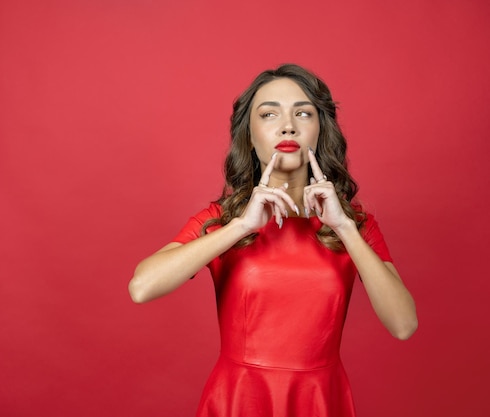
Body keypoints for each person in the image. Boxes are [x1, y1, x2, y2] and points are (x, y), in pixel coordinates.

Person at [128, 63, 417, 417]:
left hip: (319, 399)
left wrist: (344, 228)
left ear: (320, 131)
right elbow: (142, 287)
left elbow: (403, 325)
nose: (288, 125)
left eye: (303, 113)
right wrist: (240, 227)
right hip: (240, 398)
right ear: (249, 136)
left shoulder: (353, 225)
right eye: (269, 114)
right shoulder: (222, 221)